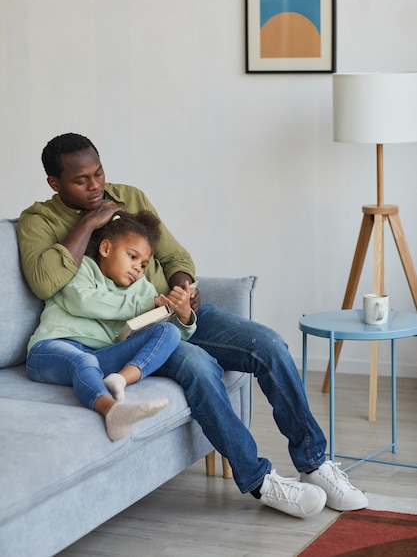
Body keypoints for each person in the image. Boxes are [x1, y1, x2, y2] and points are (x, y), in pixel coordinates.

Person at [18, 133, 368, 519]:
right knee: (200, 366)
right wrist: (90, 222)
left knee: (267, 343)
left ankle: (314, 462)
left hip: (173, 312)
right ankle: (259, 481)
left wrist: (185, 285)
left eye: (99, 173)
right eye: (81, 180)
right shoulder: (40, 221)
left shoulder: (129, 196)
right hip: (130, 334)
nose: (96, 185)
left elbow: (173, 254)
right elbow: (45, 281)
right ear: (55, 183)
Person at [26, 209, 197, 441]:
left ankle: (119, 379)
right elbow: (83, 302)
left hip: (99, 355)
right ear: (106, 249)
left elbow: (170, 339)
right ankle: (112, 410)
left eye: (144, 264)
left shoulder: (142, 289)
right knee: (84, 361)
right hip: (49, 349)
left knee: (167, 332)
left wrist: (184, 317)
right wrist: (144, 303)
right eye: (132, 256)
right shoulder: (81, 268)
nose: (138, 268)